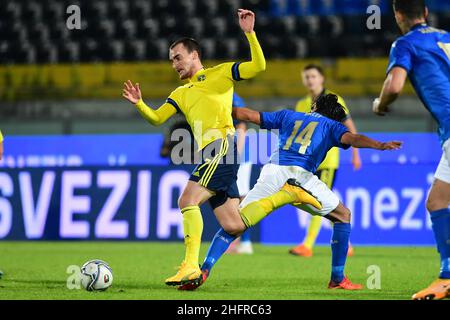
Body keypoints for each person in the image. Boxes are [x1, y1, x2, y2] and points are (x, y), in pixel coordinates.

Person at [123, 9, 318, 287]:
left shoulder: (221, 74)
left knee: (186, 201)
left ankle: (190, 265)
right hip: (210, 154)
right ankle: (286, 194)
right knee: (233, 225)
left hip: (221, 149)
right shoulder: (179, 94)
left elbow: (258, 66)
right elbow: (156, 118)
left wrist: (250, 34)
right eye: (171, 61)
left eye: (178, 57)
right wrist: (140, 103)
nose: (174, 64)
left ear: (194, 55)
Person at [179, 94, 402, 291]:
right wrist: (379, 145)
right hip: (301, 176)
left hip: (272, 172)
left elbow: (247, 115)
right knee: (343, 216)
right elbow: (353, 139)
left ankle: (204, 269)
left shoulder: (288, 116)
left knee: (235, 224)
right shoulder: (333, 126)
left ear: (314, 107)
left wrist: (216, 110)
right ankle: (337, 278)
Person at [373, 0, 450, 300]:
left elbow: (393, 87)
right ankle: (446, 276)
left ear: (398, 16)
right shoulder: (445, 36)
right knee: (437, 201)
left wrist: (380, 105)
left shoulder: (405, 44)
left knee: (439, 201)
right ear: (426, 13)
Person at [289, 64, 361, 258]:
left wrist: (355, 153)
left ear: (321, 79)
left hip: (328, 161)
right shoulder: (301, 104)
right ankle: (347, 244)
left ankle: (307, 245)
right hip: (309, 162)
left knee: (317, 200)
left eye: (313, 76)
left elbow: (348, 124)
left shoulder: (333, 100)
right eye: (306, 77)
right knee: (324, 202)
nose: (310, 80)